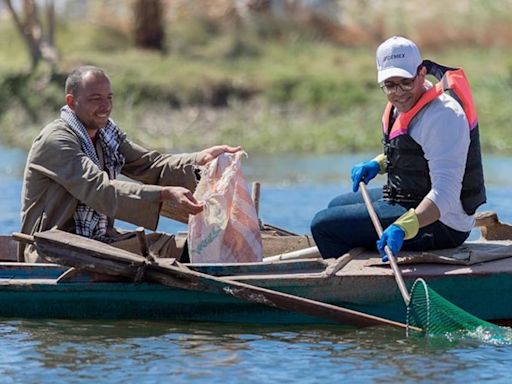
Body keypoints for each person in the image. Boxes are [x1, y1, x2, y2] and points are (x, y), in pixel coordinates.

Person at [19, 65, 240, 262]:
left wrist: (199, 159)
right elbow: (100, 190)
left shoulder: (106, 134)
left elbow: (150, 165)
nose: (105, 106)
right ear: (71, 101)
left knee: (172, 247)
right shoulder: (57, 141)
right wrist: (164, 193)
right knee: (153, 258)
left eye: (109, 98)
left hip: (96, 240)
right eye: (95, 99)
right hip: (50, 250)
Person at [311, 36, 486, 261]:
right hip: (411, 197)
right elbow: (415, 153)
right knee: (335, 206)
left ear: (421, 73)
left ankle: (358, 287)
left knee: (324, 226)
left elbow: (446, 194)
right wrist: (379, 163)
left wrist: (404, 227)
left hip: (443, 222)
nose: (399, 91)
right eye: (390, 85)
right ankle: (374, 252)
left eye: (406, 81)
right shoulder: (399, 106)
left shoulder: (444, 116)